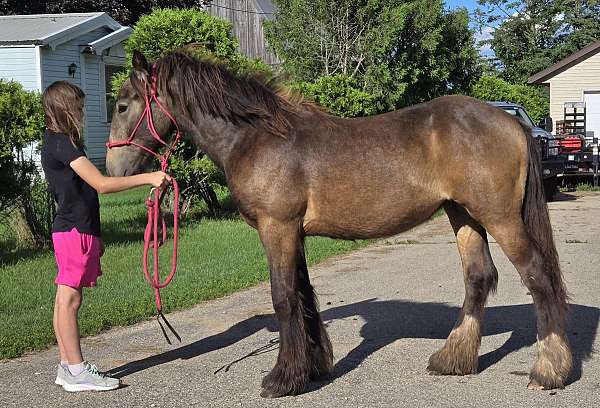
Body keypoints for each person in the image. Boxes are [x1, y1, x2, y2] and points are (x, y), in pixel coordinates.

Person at [41, 80, 170, 392]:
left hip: (69, 229)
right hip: (74, 230)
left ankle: (66, 366)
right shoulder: (62, 144)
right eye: (79, 107)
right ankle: (76, 370)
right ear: (65, 108)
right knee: (70, 301)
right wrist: (149, 178)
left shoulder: (57, 142)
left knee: (64, 299)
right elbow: (101, 183)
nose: (82, 113)